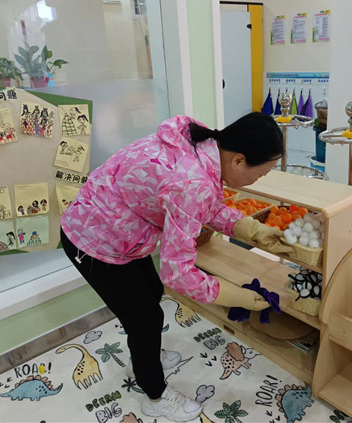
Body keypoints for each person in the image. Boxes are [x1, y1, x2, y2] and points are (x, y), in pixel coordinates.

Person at [60, 113, 293, 422]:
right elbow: (178, 273)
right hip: (93, 240)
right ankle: (155, 395)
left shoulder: (202, 144)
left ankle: (146, 355)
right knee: (144, 320)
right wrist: (235, 295)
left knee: (151, 294)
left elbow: (199, 206)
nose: (258, 180)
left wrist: (248, 227)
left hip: (119, 228)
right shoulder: (192, 181)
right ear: (238, 160)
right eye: (260, 174)